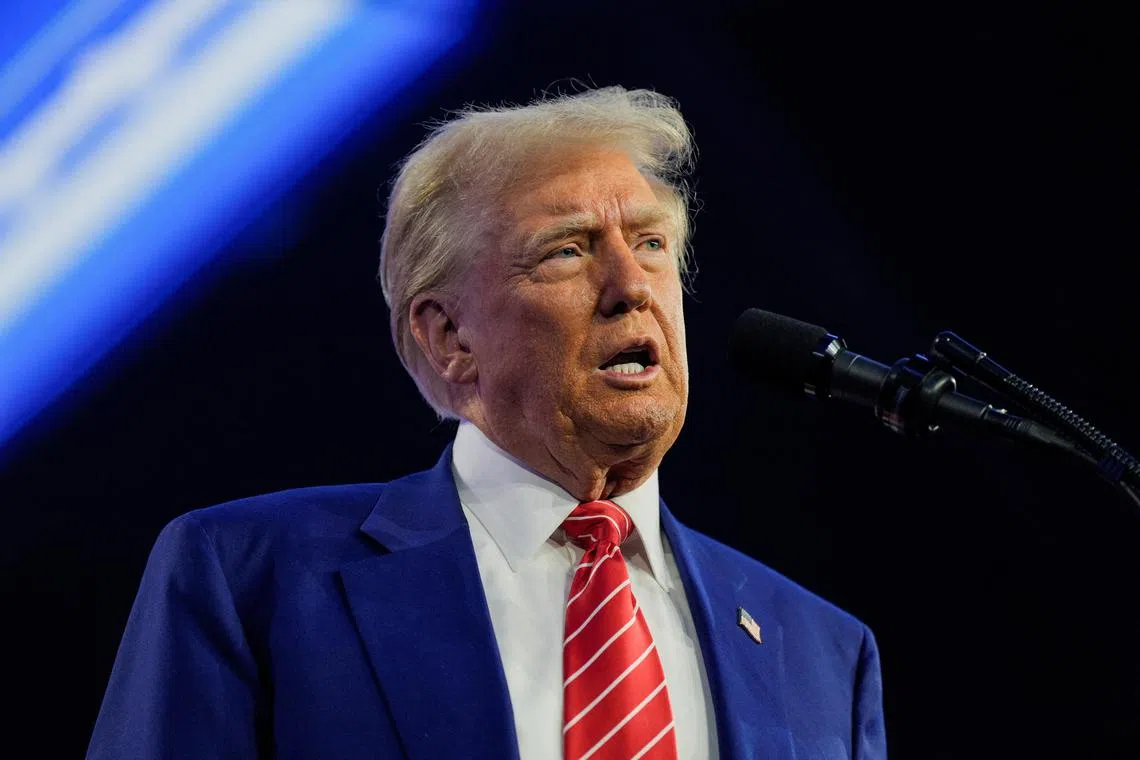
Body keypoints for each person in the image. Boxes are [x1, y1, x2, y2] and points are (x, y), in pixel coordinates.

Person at [87, 86, 886, 760]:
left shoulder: (820, 653)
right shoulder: (253, 578)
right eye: (567, 252)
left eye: (649, 243)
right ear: (449, 338)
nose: (630, 286)